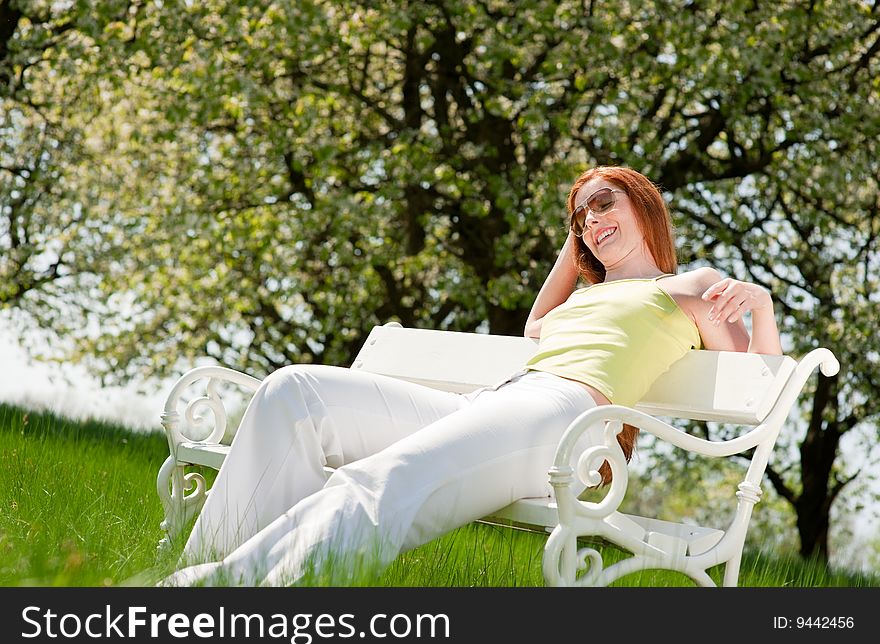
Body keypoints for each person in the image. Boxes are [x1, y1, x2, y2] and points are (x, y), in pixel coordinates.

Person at [160, 165, 782, 586]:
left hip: (564, 421)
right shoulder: (580, 298)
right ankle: (207, 566)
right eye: (580, 216)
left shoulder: (690, 286)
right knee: (291, 392)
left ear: (643, 204)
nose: (592, 220)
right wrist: (580, 241)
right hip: (503, 402)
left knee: (383, 481)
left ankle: (214, 596)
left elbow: (757, 375)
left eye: (604, 203)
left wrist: (761, 307)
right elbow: (537, 323)